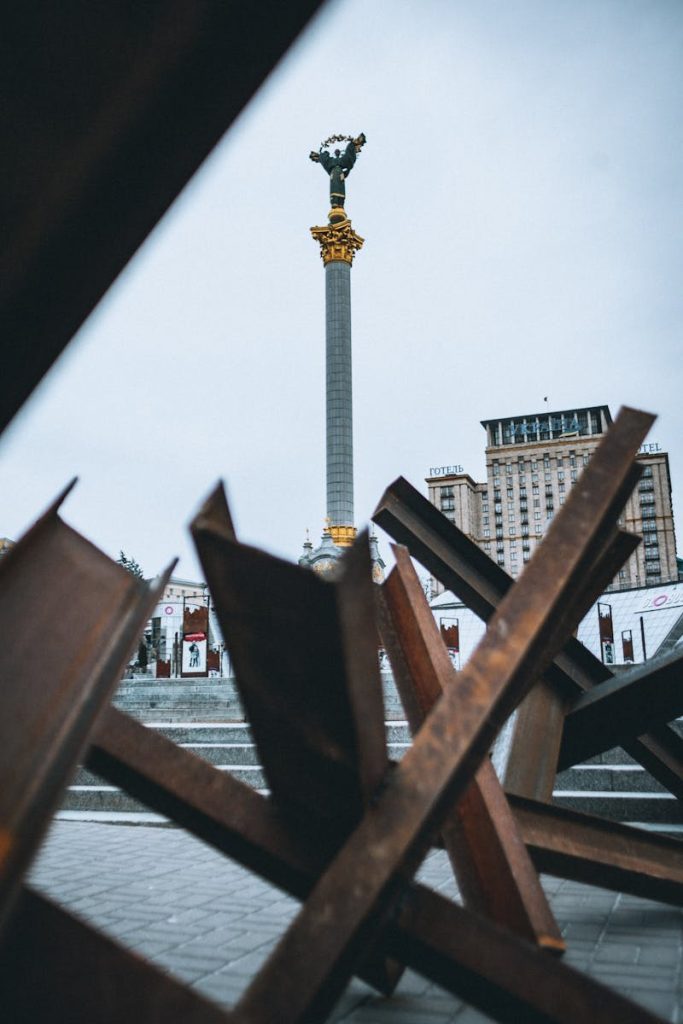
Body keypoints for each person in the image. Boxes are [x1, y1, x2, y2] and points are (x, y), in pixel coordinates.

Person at [310, 134, 366, 209]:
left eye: (338, 151)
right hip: (334, 174)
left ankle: (340, 203)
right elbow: (323, 158)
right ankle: (335, 202)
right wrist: (319, 155)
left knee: (340, 188)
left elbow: (349, 154)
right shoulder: (331, 161)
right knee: (335, 187)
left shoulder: (342, 160)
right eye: (336, 151)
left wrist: (352, 144)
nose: (337, 152)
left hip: (339, 174)